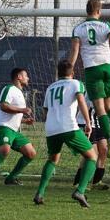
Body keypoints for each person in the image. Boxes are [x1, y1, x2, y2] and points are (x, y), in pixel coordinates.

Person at [68, 0, 110, 159]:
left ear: (87, 11)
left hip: (91, 69)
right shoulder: (106, 25)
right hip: (107, 68)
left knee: (100, 108)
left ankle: (109, 138)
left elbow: (74, 51)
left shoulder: (78, 29)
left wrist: (70, 70)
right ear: (99, 11)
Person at [33, 60, 97, 208]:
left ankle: (39, 193)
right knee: (92, 156)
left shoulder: (50, 87)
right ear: (72, 72)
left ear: (58, 73)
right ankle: (80, 191)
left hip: (51, 128)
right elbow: (81, 102)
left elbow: (45, 110)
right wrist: (88, 123)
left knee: (53, 159)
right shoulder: (76, 83)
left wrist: (52, 124)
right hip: (68, 127)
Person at [0, 68, 37, 186]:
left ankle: (11, 178)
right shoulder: (9, 89)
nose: (28, 78)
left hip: (13, 130)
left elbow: (13, 115)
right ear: (19, 77)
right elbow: (3, 106)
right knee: (5, 150)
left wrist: (25, 121)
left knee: (31, 153)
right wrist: (23, 110)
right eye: (26, 75)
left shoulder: (20, 93)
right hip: (2, 127)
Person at [72, 92, 110, 191]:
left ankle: (97, 181)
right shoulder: (91, 88)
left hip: (100, 124)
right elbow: (93, 104)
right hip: (86, 123)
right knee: (91, 153)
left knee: (104, 151)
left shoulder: (108, 88)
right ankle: (78, 182)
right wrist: (107, 102)